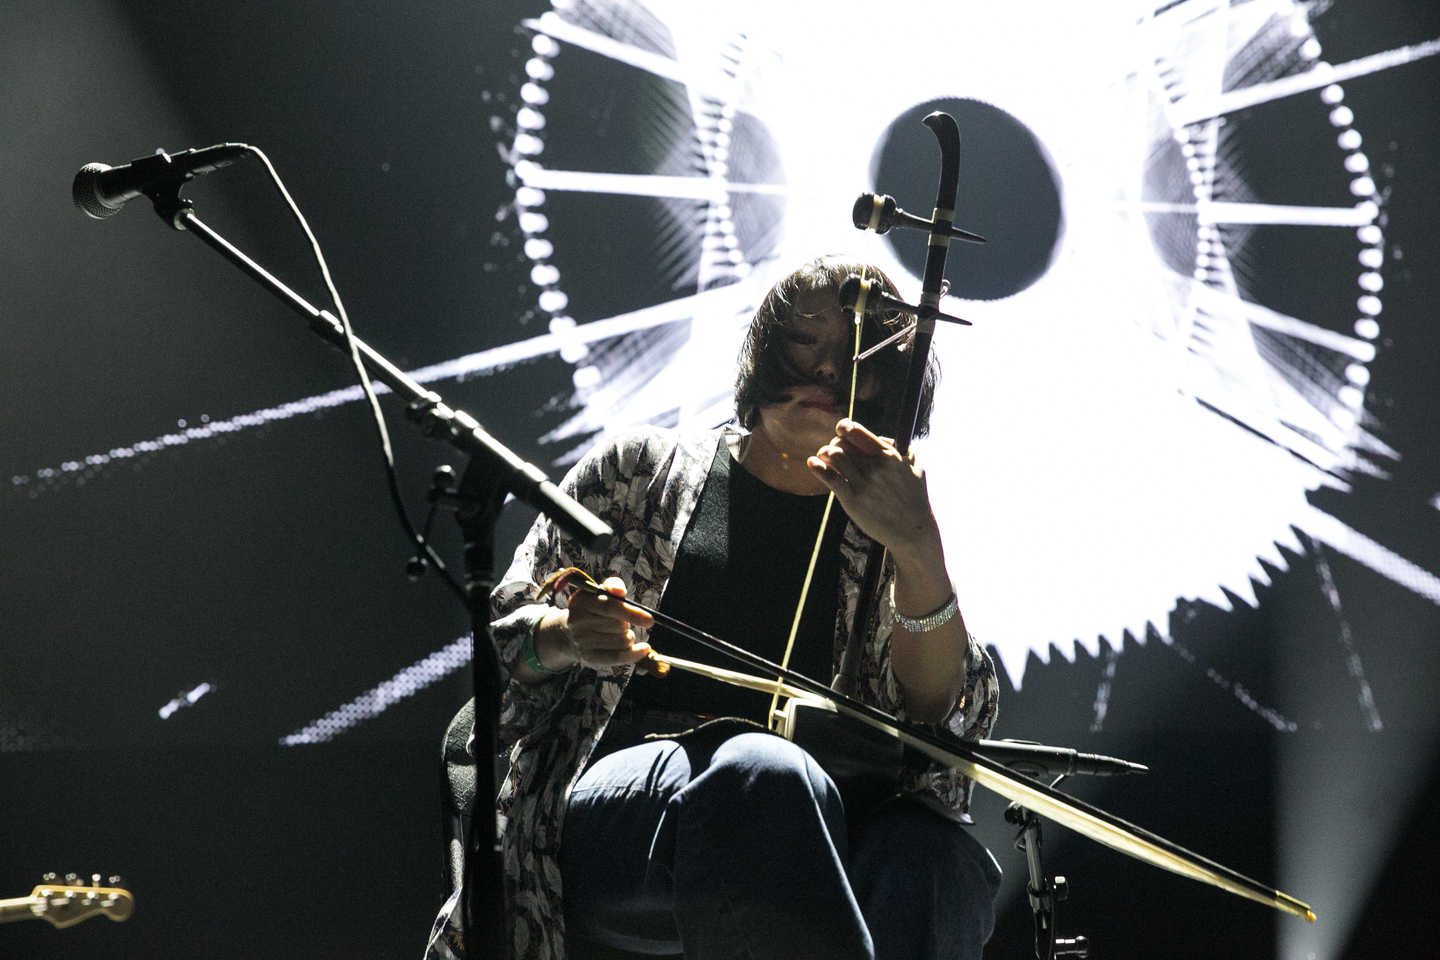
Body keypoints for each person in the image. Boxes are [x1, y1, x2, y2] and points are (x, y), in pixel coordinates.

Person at [426, 256, 1001, 960]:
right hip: (626, 809)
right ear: (763, 353)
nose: (827, 371)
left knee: (931, 856)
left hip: (819, 816)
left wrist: (918, 550)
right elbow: (499, 652)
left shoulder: (887, 528)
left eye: (858, 356)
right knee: (766, 773)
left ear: (890, 389)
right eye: (806, 339)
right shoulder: (639, 474)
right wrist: (567, 635)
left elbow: (944, 719)